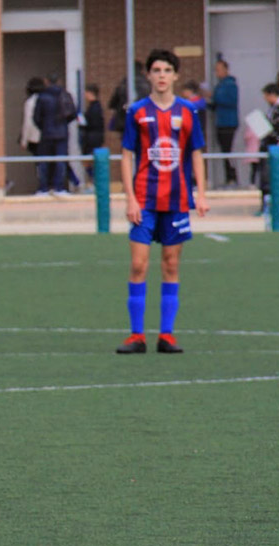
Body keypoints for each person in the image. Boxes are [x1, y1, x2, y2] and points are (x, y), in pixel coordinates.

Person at [116, 49, 208, 355]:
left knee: (170, 264)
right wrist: (130, 198)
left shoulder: (188, 112)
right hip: (144, 199)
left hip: (177, 199)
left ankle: (166, 335)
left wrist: (201, 193)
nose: (161, 75)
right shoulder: (138, 112)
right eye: (156, 70)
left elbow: (195, 153)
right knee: (139, 264)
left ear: (176, 75)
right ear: (149, 75)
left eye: (167, 70)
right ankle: (136, 335)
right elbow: (127, 156)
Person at [33, 72, 76, 197]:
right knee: (61, 160)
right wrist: (63, 124)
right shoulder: (65, 94)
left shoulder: (42, 97)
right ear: (58, 81)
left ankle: (43, 188)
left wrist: (43, 126)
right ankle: (59, 187)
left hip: (46, 133)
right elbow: (72, 113)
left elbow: (36, 117)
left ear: (47, 81)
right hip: (62, 133)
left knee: (44, 161)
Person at [207, 60, 239, 187]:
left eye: (219, 69)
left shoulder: (230, 84)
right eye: (216, 70)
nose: (217, 73)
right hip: (220, 122)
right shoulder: (219, 85)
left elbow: (231, 101)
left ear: (226, 69)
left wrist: (214, 97)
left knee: (228, 150)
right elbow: (215, 104)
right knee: (223, 151)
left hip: (229, 123)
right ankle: (228, 177)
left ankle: (233, 178)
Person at [108, 61, 151, 134]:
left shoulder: (125, 82)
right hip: (143, 117)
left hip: (125, 118)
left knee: (126, 141)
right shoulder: (147, 84)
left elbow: (114, 101)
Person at [256, 83, 279, 215]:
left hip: (274, 147)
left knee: (270, 178)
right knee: (265, 178)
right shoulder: (272, 109)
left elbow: (274, 129)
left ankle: (270, 207)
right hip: (267, 146)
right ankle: (265, 206)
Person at [79, 83, 105, 187]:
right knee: (88, 160)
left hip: (92, 137)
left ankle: (94, 181)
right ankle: (93, 181)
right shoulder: (95, 106)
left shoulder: (94, 108)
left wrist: (83, 123)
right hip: (94, 136)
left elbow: (92, 123)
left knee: (88, 160)